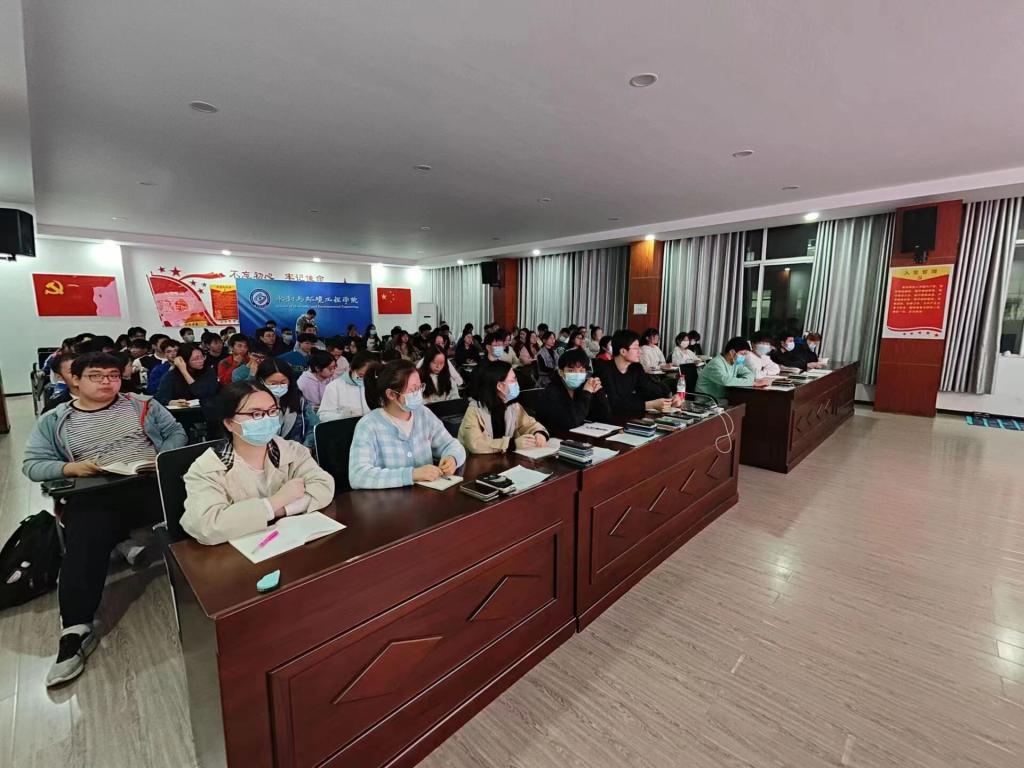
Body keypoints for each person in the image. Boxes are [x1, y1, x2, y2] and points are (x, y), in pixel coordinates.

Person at [22, 352, 187, 686]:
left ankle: (205, 592)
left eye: (112, 375)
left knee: (199, 506)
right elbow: (33, 465)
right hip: (96, 491)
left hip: (148, 481)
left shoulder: (142, 405)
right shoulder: (56, 420)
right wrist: (70, 468)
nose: (107, 382)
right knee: (85, 539)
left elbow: (176, 433)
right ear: (75, 380)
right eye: (96, 376)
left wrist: (161, 455)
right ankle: (76, 629)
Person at [180, 381, 335, 546]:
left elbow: (324, 486)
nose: (267, 419)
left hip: (290, 543)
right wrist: (276, 500)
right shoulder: (207, 468)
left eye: (272, 411)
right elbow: (207, 527)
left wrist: (279, 510)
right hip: (238, 553)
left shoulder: (292, 451)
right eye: (256, 414)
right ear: (229, 423)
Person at [348, 359, 466, 489]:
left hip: (426, 496)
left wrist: (452, 458)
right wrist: (411, 474)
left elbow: (452, 444)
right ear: (391, 394)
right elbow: (358, 476)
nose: (419, 393)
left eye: (420, 387)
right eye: (413, 389)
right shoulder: (368, 425)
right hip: (389, 500)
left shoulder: (423, 414)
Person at [458, 361, 548, 454]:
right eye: (513, 380)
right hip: (475, 461)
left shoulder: (512, 406)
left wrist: (539, 433)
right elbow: (476, 444)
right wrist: (512, 444)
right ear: (500, 386)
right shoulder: (474, 410)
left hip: (502, 458)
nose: (517, 383)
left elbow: (528, 424)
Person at [598, 330, 679, 416]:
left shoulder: (635, 368)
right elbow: (613, 404)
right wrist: (648, 405)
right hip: (606, 419)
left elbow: (650, 389)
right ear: (623, 351)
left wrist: (671, 399)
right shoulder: (604, 371)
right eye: (636, 348)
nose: (640, 351)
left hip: (629, 416)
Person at [536, 348, 613, 431]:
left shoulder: (581, 387)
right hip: (554, 435)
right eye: (571, 371)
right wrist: (586, 393)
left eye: (581, 371)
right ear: (561, 372)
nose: (577, 374)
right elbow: (571, 422)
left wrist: (598, 392)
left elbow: (605, 416)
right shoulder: (552, 392)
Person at [254, 357, 319, 446]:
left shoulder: (299, 400)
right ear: (261, 381)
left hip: (296, 450)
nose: (279, 386)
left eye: (283, 382)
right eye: (273, 384)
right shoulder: (253, 402)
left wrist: (306, 447)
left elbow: (314, 426)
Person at [155, 343, 219, 422]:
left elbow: (201, 392)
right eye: (195, 359)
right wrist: (171, 402)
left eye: (202, 357)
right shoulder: (171, 375)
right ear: (184, 361)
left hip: (206, 414)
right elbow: (159, 398)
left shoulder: (208, 371)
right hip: (181, 416)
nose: (201, 361)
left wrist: (184, 372)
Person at [696, 336, 768, 403]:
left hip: (721, 399)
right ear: (732, 352)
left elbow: (749, 373)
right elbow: (726, 381)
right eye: (742, 354)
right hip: (707, 401)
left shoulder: (735, 363)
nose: (744, 357)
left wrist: (749, 381)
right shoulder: (716, 363)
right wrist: (753, 383)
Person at [319, 351, 376, 421]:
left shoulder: (375, 385)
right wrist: (342, 416)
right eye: (361, 375)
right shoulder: (334, 387)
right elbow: (323, 416)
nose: (365, 379)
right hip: (346, 426)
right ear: (351, 368)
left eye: (369, 376)